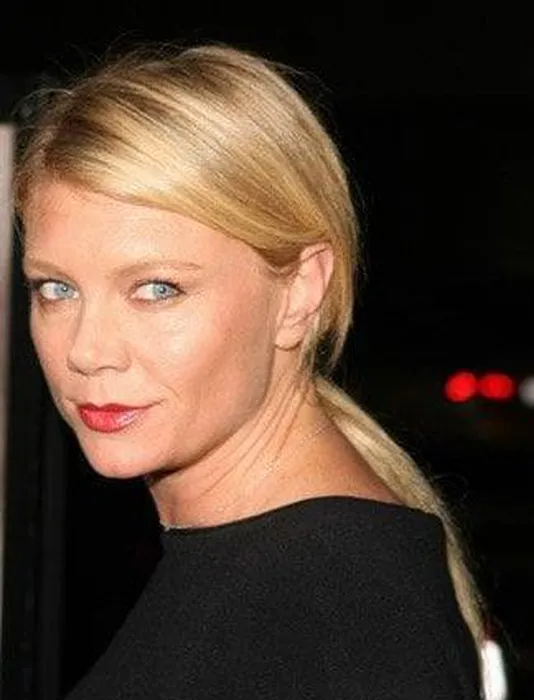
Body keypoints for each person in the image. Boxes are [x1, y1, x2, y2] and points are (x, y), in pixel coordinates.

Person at [14, 44, 484, 699]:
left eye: (157, 289)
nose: (87, 351)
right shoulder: (293, 576)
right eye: (56, 289)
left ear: (299, 291)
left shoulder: (334, 615)